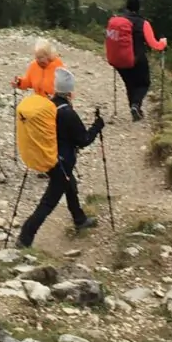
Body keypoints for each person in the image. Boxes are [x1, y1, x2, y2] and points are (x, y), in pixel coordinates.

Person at [18, 67, 103, 247]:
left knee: (70, 185)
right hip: (61, 163)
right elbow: (84, 140)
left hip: (49, 157)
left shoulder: (49, 106)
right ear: (70, 93)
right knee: (48, 202)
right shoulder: (68, 113)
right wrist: (97, 126)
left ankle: (79, 219)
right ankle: (25, 237)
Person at [107, 0, 166, 121]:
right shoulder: (143, 23)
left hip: (120, 60)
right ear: (138, 8)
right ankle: (136, 105)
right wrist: (163, 43)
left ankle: (134, 108)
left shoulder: (120, 20)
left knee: (130, 84)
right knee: (144, 83)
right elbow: (154, 44)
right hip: (137, 59)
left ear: (127, 7)